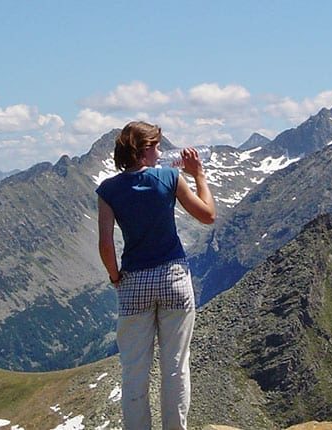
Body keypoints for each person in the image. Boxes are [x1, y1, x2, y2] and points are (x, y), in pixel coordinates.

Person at [96, 121, 215, 430]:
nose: (161, 152)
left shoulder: (108, 190)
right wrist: (199, 174)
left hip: (134, 283)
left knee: (134, 371)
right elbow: (207, 214)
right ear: (145, 150)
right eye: (157, 146)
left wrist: (115, 277)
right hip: (174, 277)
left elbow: (106, 243)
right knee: (175, 366)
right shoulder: (170, 178)